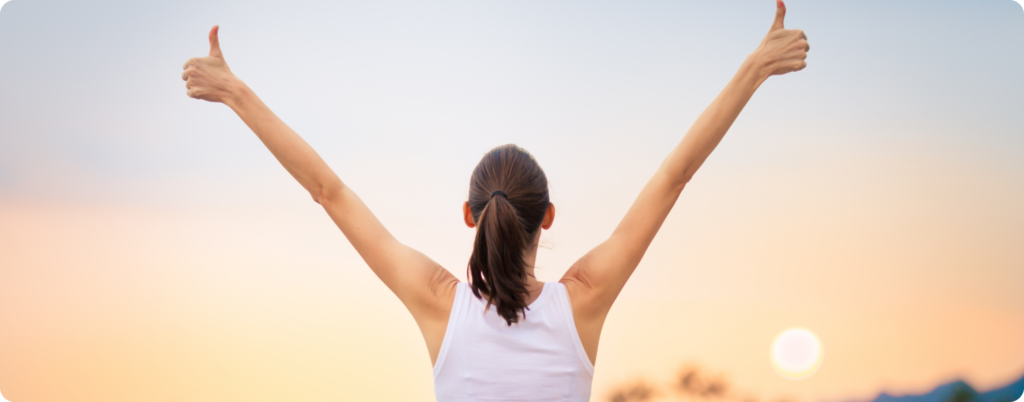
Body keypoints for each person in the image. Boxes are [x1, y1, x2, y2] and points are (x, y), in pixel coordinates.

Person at [181, 1, 808, 400]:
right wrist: (753, 70)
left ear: (468, 216)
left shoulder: (438, 304)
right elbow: (674, 176)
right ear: (549, 219)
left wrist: (236, 94)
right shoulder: (583, 301)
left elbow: (328, 190)